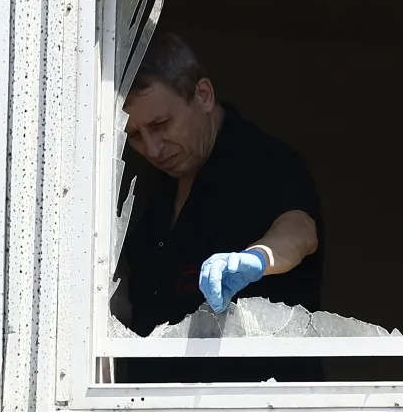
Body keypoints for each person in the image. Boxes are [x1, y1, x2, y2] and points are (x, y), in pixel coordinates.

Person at [116, 30, 324, 382]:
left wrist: (259, 258)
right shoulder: (154, 188)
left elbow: (299, 229)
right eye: (134, 135)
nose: (151, 149)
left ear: (203, 94)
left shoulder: (264, 161)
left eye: (161, 124)